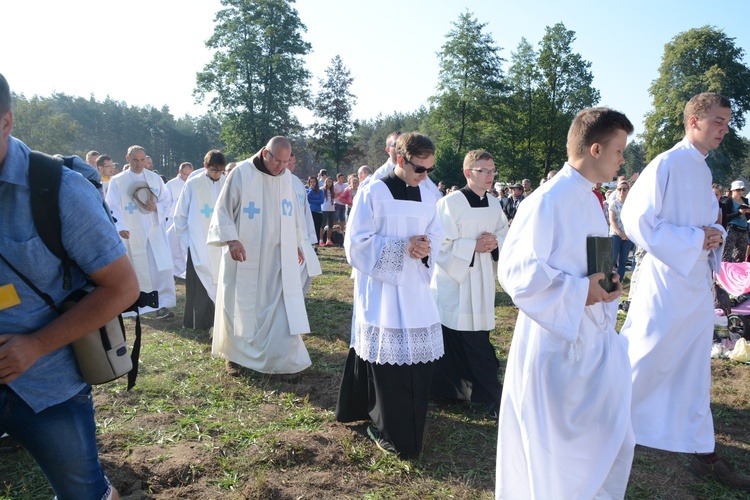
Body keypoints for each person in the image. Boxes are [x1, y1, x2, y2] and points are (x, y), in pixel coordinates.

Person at [0, 72, 139, 500]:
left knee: (84, 493)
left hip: (48, 384)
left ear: (5, 121)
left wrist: (37, 344)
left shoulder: (58, 191)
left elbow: (122, 288)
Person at [496, 107, 634, 499]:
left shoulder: (591, 198)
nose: (623, 160)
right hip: (556, 343)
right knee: (556, 452)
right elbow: (517, 273)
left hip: (592, 334)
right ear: (594, 149)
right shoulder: (548, 199)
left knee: (609, 436)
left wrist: (607, 282)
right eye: (619, 151)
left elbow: (587, 258)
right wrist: (580, 291)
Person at [619, 93, 750, 490]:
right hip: (664, 281)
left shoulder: (701, 169)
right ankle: (603, 423)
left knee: (694, 367)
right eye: (717, 122)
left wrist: (715, 234)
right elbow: (635, 220)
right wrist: (696, 238)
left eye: (727, 123)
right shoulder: (668, 163)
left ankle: (701, 450)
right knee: (645, 356)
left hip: (693, 282)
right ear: (693, 121)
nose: (724, 129)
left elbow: (710, 223)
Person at [335, 132, 444, 457]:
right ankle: (386, 426)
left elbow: (437, 232)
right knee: (387, 360)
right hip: (383, 288)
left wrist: (426, 246)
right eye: (419, 169)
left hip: (415, 287)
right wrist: (401, 247)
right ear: (400, 160)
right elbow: (355, 243)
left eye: (429, 169)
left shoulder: (429, 191)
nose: (425, 176)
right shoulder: (374, 191)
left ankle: (407, 425)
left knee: (416, 360)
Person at [208, 136, 311, 377]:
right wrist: (231, 240)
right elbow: (222, 210)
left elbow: (292, 213)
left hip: (277, 255)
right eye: (278, 161)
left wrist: (295, 244)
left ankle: (284, 358)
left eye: (286, 162)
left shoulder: (285, 177)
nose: (281, 167)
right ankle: (235, 356)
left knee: (280, 306)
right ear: (265, 153)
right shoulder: (242, 174)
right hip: (244, 254)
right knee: (238, 306)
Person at [430, 150, 508, 419]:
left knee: (477, 337)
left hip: (482, 276)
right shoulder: (450, 204)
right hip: (456, 281)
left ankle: (476, 392)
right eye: (483, 171)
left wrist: (496, 242)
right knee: (455, 336)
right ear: (467, 173)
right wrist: (472, 246)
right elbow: (438, 245)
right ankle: (467, 392)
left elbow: (504, 233)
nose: (489, 176)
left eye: (492, 171)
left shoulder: (495, 204)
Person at [105, 145, 176, 318]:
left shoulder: (155, 179)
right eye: (135, 160)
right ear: (127, 159)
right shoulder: (118, 181)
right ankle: (134, 303)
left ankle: (161, 304)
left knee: (159, 268)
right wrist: (120, 226)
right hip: (131, 232)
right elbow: (112, 206)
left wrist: (157, 207)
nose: (139, 163)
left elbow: (167, 200)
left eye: (142, 159)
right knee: (135, 267)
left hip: (154, 230)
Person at [174, 151, 226, 330]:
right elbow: (180, 215)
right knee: (200, 283)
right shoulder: (193, 184)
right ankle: (199, 322)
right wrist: (189, 241)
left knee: (221, 279)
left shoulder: (226, 183)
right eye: (213, 170)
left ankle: (220, 319)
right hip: (198, 244)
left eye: (220, 170)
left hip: (221, 244)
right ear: (205, 166)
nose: (217, 174)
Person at [287, 152, 322, 296]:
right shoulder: (275, 182)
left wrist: (309, 236)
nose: (292, 167)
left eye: (293, 163)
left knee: (306, 269)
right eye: (289, 163)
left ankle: (297, 299)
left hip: (301, 236)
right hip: (288, 236)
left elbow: (305, 210)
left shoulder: (296, 182)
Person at [165, 162, 194, 279]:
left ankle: (186, 270)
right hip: (173, 220)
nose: (188, 177)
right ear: (180, 172)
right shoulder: (171, 185)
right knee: (174, 246)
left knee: (185, 246)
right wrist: (178, 205)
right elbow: (166, 203)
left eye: (190, 174)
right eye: (186, 174)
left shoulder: (193, 183)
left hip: (188, 220)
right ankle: (175, 270)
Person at [720, 180, 750, 263]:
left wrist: (748, 212)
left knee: (741, 256)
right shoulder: (728, 202)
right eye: (738, 190)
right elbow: (725, 218)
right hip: (732, 229)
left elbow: (746, 218)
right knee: (727, 254)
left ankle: (738, 274)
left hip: (744, 229)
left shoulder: (745, 200)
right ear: (732, 190)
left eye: (743, 189)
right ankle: (722, 274)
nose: (741, 192)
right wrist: (739, 212)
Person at [609, 179, 633, 280]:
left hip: (628, 235)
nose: (622, 192)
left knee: (623, 261)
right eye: (619, 189)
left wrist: (628, 234)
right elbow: (612, 221)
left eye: (624, 189)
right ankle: (607, 280)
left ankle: (619, 281)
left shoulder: (632, 204)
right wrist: (620, 233)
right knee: (612, 259)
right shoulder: (614, 204)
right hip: (615, 234)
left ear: (628, 190)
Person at [306, 176, 324, 246]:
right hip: (310, 213)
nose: (313, 183)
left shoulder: (320, 191)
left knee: (317, 229)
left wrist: (311, 201)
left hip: (318, 213)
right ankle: (309, 245)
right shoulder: (307, 190)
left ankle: (316, 246)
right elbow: (307, 198)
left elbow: (321, 201)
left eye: (314, 182)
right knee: (309, 229)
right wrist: (311, 190)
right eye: (311, 182)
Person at [320, 177, 336, 246]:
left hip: (331, 209)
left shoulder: (332, 190)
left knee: (330, 225)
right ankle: (320, 239)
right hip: (324, 209)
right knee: (323, 224)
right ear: (326, 182)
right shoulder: (322, 189)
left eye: (331, 182)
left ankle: (328, 239)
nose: (330, 183)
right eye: (328, 181)